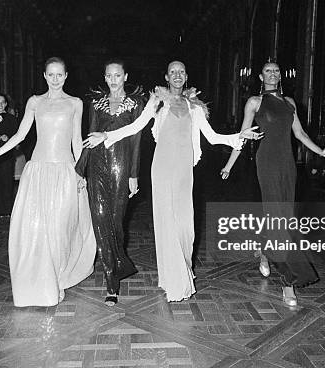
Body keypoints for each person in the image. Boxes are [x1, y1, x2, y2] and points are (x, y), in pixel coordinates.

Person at [83, 60, 260, 302]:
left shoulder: (195, 107)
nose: (177, 75)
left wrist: (239, 136)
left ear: (186, 76)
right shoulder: (158, 102)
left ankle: (180, 271)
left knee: (186, 225)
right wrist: (106, 135)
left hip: (184, 169)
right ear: (166, 77)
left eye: (181, 72)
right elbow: (135, 126)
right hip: (163, 167)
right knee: (167, 223)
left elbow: (212, 136)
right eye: (172, 72)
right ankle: (175, 282)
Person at [220, 61, 325, 306]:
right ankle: (289, 281)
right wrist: (229, 164)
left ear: (281, 76)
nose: (273, 74)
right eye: (268, 70)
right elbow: (243, 137)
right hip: (266, 163)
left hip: (288, 164)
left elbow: (300, 134)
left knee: (283, 215)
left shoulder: (289, 103)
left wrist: (322, 151)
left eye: (277, 70)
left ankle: (266, 252)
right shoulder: (254, 102)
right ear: (260, 75)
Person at [0, 57, 96, 307]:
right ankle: (48, 283)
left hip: (64, 171)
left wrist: (80, 173)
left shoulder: (75, 103)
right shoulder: (35, 102)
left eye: (59, 75)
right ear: (44, 76)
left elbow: (76, 140)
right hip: (38, 172)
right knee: (40, 230)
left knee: (61, 228)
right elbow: (20, 134)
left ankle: (59, 277)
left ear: (65, 76)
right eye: (50, 74)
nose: (54, 79)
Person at [75, 60, 144, 306]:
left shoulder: (136, 103)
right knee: (99, 219)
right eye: (109, 76)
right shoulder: (95, 102)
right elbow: (91, 134)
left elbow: (136, 138)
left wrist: (133, 174)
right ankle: (111, 283)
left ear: (125, 76)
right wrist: (81, 171)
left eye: (117, 75)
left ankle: (119, 264)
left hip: (122, 165)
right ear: (104, 78)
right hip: (97, 165)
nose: (113, 80)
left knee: (115, 221)